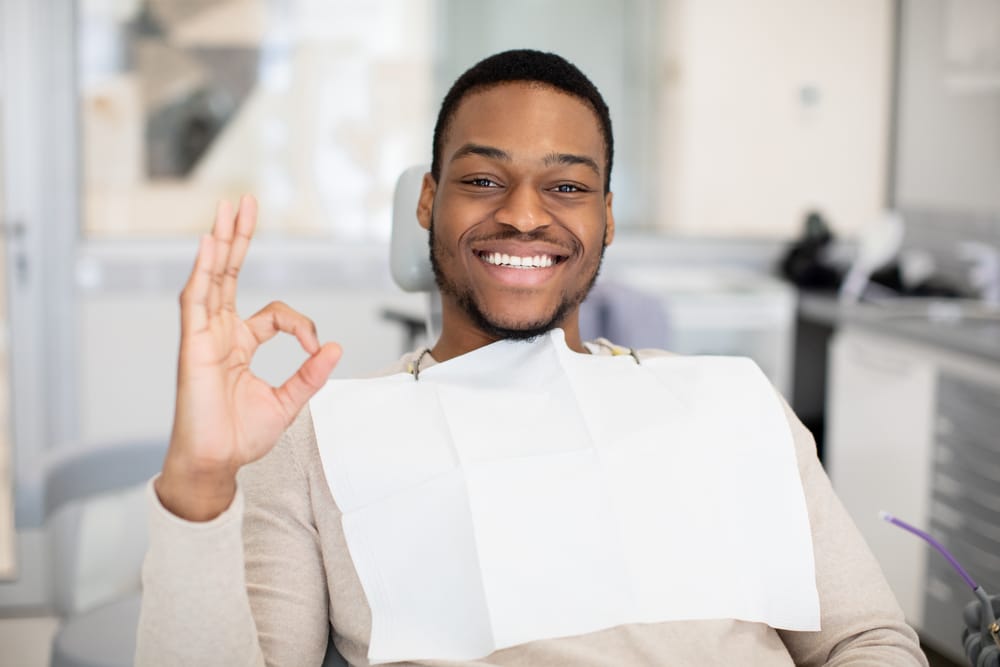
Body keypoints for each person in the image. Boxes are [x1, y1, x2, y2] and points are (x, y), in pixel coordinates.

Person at [136, 50, 928, 666]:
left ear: (608, 217)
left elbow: (869, 638)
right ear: (428, 201)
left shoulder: (733, 404)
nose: (522, 215)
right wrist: (200, 485)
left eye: (567, 188)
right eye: (483, 179)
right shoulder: (315, 439)